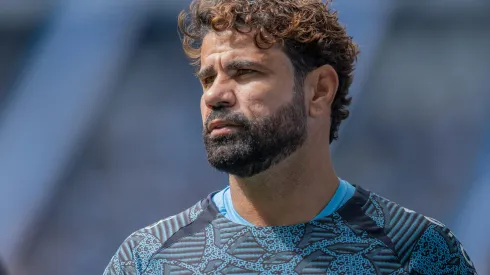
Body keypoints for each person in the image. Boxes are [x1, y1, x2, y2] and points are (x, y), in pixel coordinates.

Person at [104, 0, 477, 274]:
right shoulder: (148, 259)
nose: (214, 95)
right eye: (207, 78)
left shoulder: (417, 252)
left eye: (244, 71)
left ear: (318, 91)